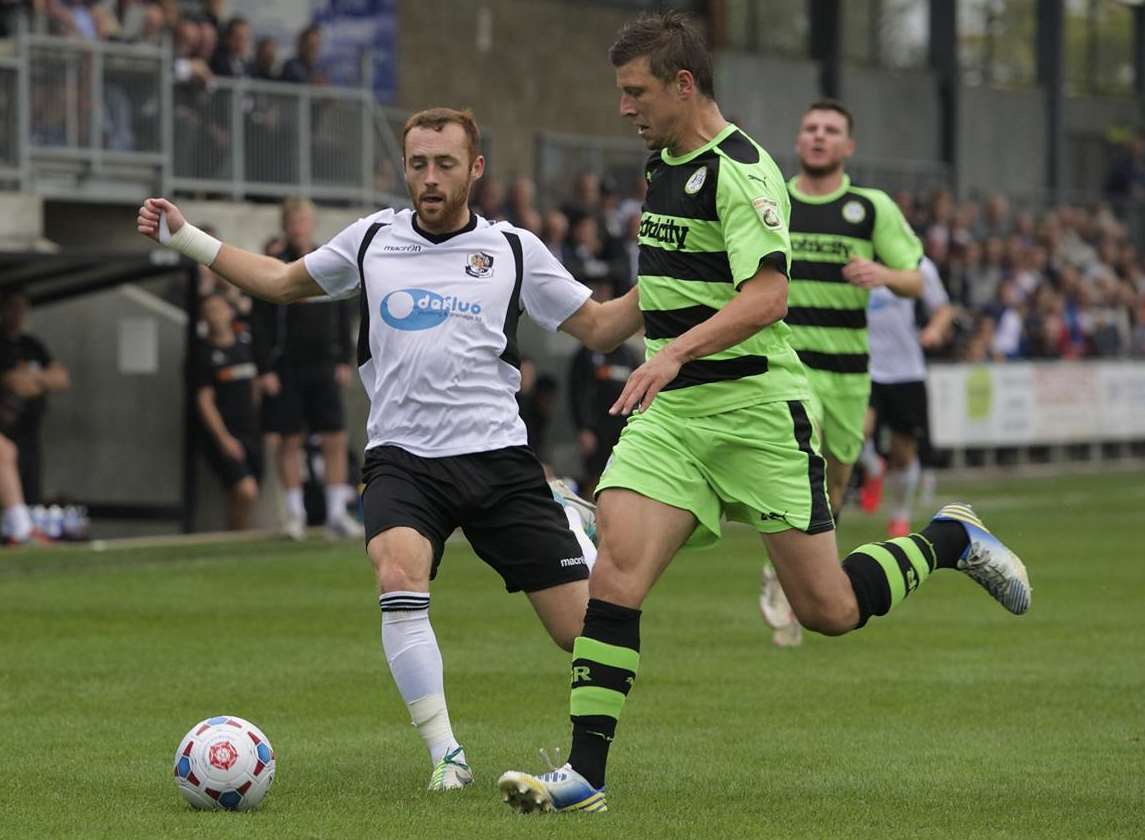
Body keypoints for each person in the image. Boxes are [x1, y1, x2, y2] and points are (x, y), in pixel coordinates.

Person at [496, 12, 1030, 815]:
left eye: (633, 91)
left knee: (828, 611)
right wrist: (567, 307)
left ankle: (949, 538)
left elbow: (766, 295)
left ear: (683, 85)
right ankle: (584, 777)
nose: (622, 108)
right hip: (673, 417)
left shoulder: (742, 170)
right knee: (615, 578)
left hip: (755, 413)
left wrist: (675, 351)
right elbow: (659, 295)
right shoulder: (661, 165)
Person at [136, 106, 642, 792]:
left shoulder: (515, 248)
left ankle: (564, 524)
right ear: (403, 167)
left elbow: (601, 327)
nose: (429, 178)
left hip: (498, 460)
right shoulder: (372, 239)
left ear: (476, 168)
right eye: (417, 164)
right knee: (398, 575)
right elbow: (282, 282)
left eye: (445, 164)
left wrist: (667, 281)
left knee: (583, 632)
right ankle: (447, 757)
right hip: (404, 460)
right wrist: (188, 237)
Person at [757, 98, 926, 646]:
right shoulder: (773, 198)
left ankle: (801, 577)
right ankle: (784, 580)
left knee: (833, 483)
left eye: (831, 130)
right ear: (799, 140)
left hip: (849, 373)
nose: (819, 137)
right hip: (789, 366)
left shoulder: (870, 207)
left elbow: (916, 280)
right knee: (794, 471)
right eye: (810, 128)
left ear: (847, 146)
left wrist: (883, 273)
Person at [253, 198, 360, 541]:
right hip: (287, 365)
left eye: (304, 220)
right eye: (294, 220)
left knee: (334, 436)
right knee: (290, 438)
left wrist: (343, 358)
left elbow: (342, 309)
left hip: (323, 363)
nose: (299, 226)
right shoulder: (276, 263)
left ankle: (335, 513)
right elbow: (261, 320)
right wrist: (265, 367)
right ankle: (295, 513)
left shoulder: (326, 258)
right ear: (286, 224)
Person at [858, 255, 953, 538]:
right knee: (857, 432)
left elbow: (944, 309)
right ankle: (873, 466)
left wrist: (935, 330)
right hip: (863, 367)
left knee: (904, 452)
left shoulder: (919, 265)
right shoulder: (855, 257)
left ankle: (899, 516)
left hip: (906, 371)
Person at [192, 292, 262, 530]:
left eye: (219, 309)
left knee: (245, 493)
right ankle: (240, 536)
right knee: (246, 490)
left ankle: (235, 537)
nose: (215, 316)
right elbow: (205, 401)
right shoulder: (203, 354)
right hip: (226, 434)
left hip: (250, 431)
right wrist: (223, 439)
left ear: (230, 312)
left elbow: (255, 388)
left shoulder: (245, 346)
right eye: (209, 311)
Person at [567, 277, 641, 496]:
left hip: (622, 427)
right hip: (597, 427)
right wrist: (584, 428)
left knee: (619, 475)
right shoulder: (585, 355)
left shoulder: (628, 355)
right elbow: (577, 393)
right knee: (594, 476)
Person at [0, 290, 70, 506]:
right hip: (7, 428)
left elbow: (61, 378)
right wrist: (38, 379)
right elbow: (15, 384)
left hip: (30, 436)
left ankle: (24, 531)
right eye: (13, 307)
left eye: (23, 308)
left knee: (30, 494)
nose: (19, 313)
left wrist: (32, 377)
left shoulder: (32, 344)